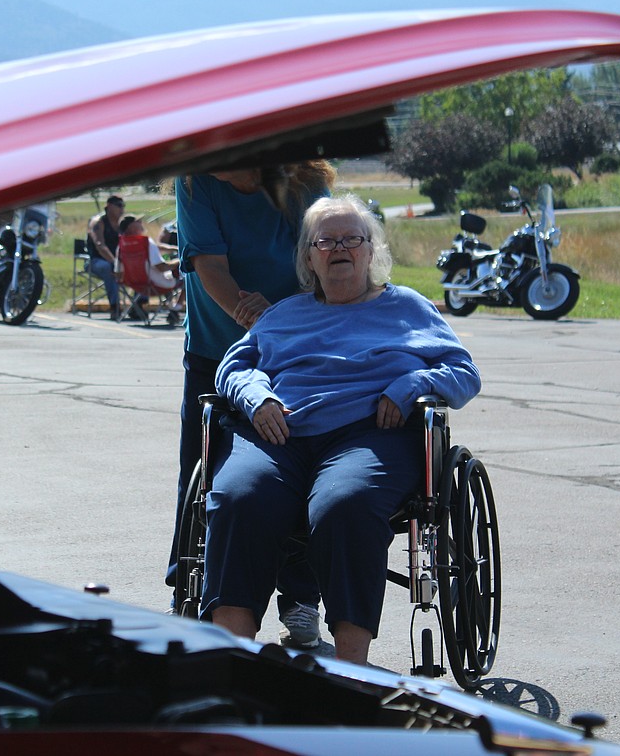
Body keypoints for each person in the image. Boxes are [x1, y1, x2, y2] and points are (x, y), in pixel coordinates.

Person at [203, 195, 481, 665]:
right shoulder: (285, 313)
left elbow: (463, 371)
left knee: (344, 504)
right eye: (326, 240)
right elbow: (235, 367)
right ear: (309, 257)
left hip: (371, 435)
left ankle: (351, 669)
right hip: (280, 435)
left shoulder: (408, 308)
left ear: (371, 251)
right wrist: (257, 398)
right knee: (238, 498)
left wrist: (414, 382)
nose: (340, 249)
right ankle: (229, 665)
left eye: (353, 238)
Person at [171, 162, 335, 648]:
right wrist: (250, 316)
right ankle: (191, 583)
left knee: (296, 461)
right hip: (215, 345)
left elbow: (323, 265)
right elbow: (209, 266)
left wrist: (280, 323)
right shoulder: (196, 182)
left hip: (295, 349)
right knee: (201, 468)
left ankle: (301, 597)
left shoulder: (304, 182)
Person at [117, 216, 184, 312]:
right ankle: (177, 307)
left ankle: (170, 307)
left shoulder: (121, 245)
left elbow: (118, 272)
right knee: (188, 275)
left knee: (172, 274)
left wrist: (173, 249)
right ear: (131, 227)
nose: (141, 222)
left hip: (134, 284)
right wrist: (181, 260)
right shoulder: (146, 242)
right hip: (156, 284)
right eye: (138, 221)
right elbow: (162, 267)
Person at [86, 195, 125, 320]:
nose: (122, 209)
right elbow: (100, 245)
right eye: (119, 205)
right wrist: (115, 263)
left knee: (140, 264)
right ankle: (115, 306)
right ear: (109, 206)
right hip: (95, 261)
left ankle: (139, 304)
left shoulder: (121, 224)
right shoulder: (98, 222)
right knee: (109, 268)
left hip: (118, 261)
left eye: (123, 205)